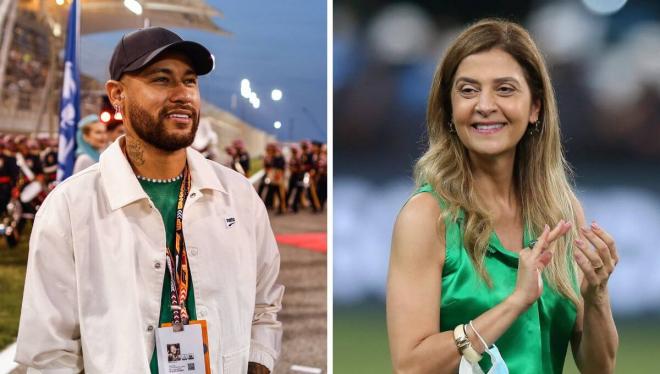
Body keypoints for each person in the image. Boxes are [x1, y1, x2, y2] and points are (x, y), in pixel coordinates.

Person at [16, 27, 283, 374]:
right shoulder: (70, 207)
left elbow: (265, 304)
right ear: (117, 95)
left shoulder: (239, 196)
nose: (181, 94)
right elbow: (48, 353)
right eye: (161, 80)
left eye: (189, 81)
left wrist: (258, 360)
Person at [387, 19, 618, 374]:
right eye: (467, 90)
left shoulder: (562, 212)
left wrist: (597, 295)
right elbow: (411, 366)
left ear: (535, 107)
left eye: (505, 89)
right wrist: (515, 303)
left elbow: (599, 367)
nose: (484, 105)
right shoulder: (426, 216)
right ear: (449, 109)